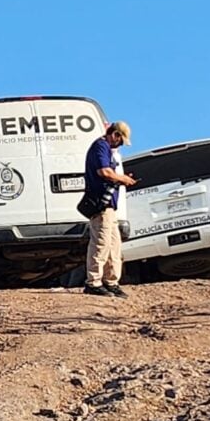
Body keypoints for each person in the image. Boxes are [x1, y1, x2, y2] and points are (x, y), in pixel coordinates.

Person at [82, 121, 137, 297]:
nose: (120, 145)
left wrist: (121, 178)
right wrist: (122, 179)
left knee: (114, 243)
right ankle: (94, 282)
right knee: (101, 242)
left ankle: (111, 280)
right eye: (120, 141)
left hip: (110, 206)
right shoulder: (101, 146)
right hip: (101, 203)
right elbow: (104, 172)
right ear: (115, 135)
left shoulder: (108, 150)